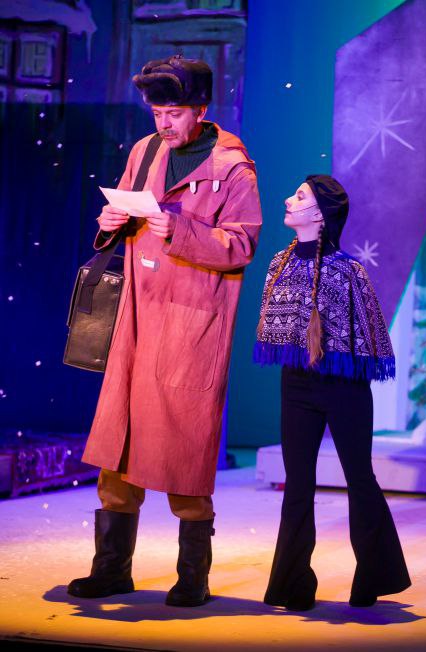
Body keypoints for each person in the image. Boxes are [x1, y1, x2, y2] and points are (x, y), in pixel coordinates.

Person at [67, 55, 262, 607]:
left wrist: (179, 227)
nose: (164, 123)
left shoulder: (233, 169)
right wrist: (111, 222)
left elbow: (241, 245)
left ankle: (193, 577)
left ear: (200, 110)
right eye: (157, 113)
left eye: (174, 113)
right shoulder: (145, 151)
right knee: (118, 442)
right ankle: (111, 569)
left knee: (184, 446)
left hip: (189, 322)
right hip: (135, 315)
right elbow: (127, 213)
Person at [254, 175, 410, 610]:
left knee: (359, 478)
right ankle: (292, 584)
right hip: (297, 383)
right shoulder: (278, 264)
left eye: (300, 196)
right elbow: (276, 325)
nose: (289, 199)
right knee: (297, 484)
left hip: (344, 386)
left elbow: (368, 334)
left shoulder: (348, 271)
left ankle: (375, 576)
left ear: (320, 214)